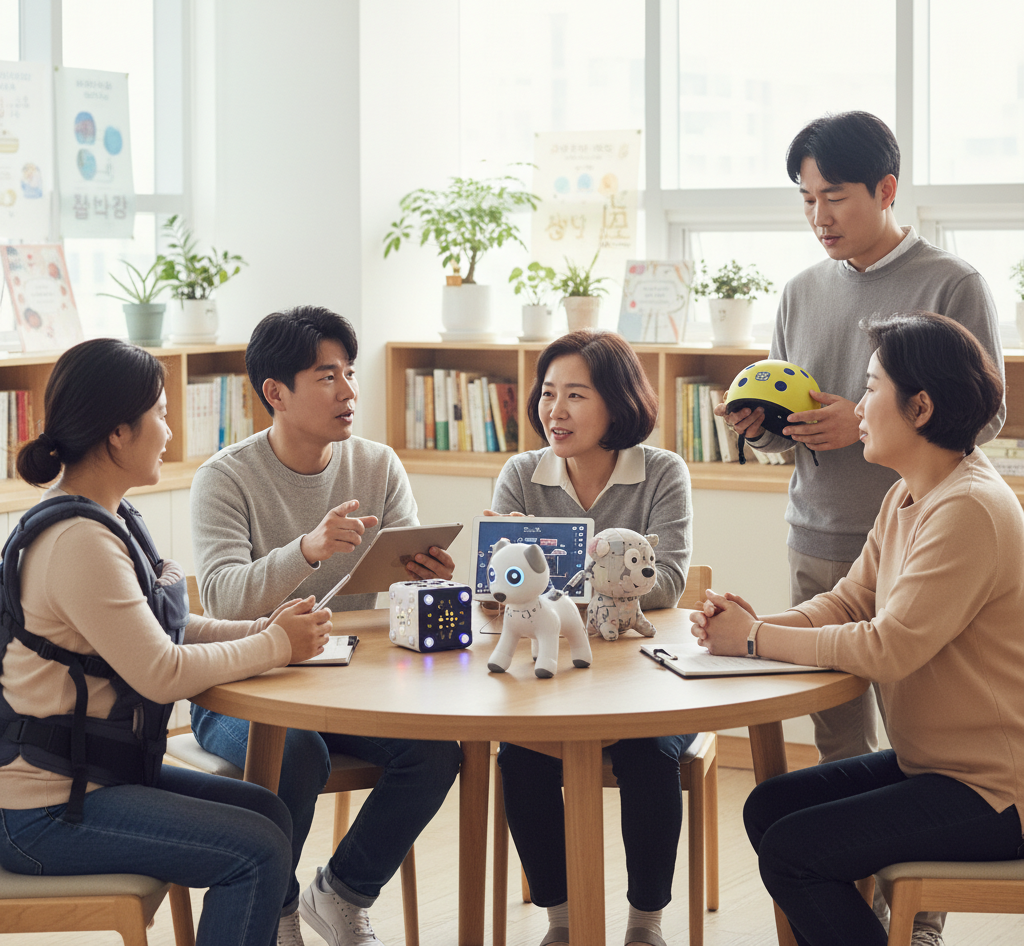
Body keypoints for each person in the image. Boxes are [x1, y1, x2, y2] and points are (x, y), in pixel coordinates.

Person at [717, 111, 1005, 943]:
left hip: (983, 762)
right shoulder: (802, 292)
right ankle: (854, 914)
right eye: (805, 200)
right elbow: (791, 396)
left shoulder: (952, 287)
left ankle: (912, 920)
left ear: (885, 190)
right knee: (822, 764)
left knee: (886, 766)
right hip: (831, 531)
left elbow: (975, 416)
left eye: (833, 197)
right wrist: (769, 425)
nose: (819, 217)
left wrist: (756, 640)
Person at [693, 312, 1024, 946]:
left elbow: (888, 646)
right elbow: (849, 602)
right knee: (770, 809)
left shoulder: (969, 509)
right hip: (935, 766)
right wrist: (753, 626)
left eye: (871, 387)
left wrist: (756, 640)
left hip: (993, 790)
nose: (858, 403)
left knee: (794, 851)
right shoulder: (908, 493)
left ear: (920, 406)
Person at [0, 338, 333, 946]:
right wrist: (276, 647)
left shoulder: (112, 517)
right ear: (118, 433)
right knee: (256, 851)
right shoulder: (78, 540)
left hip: (98, 778)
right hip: (43, 812)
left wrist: (264, 630)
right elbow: (160, 670)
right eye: (159, 413)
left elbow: (165, 628)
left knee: (269, 814)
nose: (170, 432)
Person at [189, 305, 462, 946]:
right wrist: (306, 550)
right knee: (295, 751)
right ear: (275, 394)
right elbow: (225, 599)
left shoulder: (376, 464)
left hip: (349, 687)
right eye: (327, 376)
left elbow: (395, 596)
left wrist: (423, 575)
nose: (349, 392)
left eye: (349, 373)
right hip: (244, 683)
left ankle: (341, 894)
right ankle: (276, 909)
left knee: (435, 753)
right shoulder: (224, 478)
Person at [490, 329, 694, 946]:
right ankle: (562, 920)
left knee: (649, 752)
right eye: (548, 393)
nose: (555, 410)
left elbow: (670, 584)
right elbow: (498, 588)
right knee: (520, 755)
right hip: (551, 678)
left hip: (645, 677)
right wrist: (509, 579)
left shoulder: (661, 471)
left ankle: (645, 924)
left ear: (618, 400)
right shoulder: (522, 473)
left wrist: (552, 578)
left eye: (575, 395)